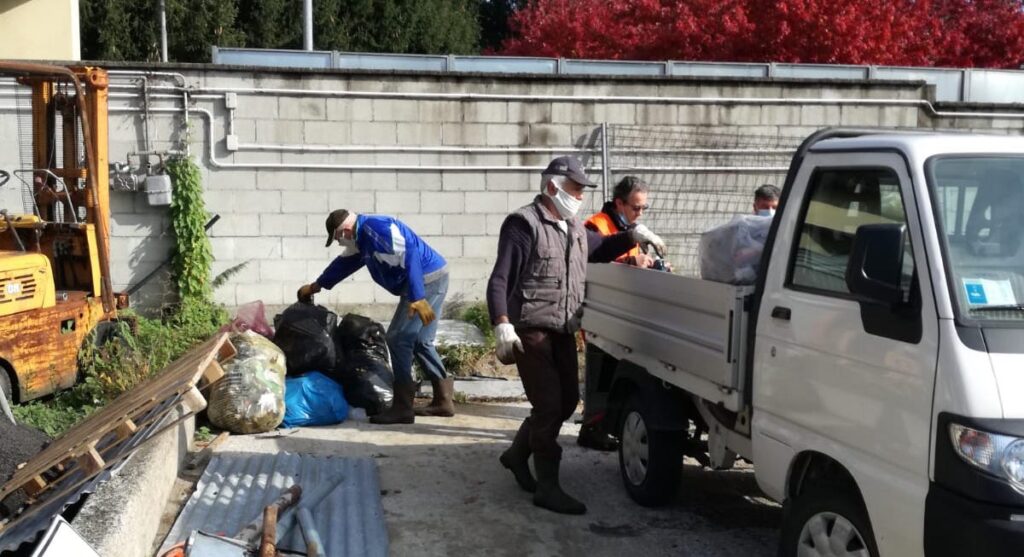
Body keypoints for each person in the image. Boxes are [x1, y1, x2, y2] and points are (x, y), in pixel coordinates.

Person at [487, 156, 665, 515]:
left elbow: (600, 249)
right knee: (550, 404)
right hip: (530, 329)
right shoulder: (524, 225)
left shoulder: (574, 227)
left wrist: (633, 235)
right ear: (553, 187)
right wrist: (501, 321)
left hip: (564, 327)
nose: (580, 196)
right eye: (575, 189)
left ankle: (517, 454)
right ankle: (547, 487)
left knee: (568, 401)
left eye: (583, 190)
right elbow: (500, 278)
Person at [297, 209, 453, 425]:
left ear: (345, 231)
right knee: (421, 341)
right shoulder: (360, 238)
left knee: (398, 339)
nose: (340, 243)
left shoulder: (377, 229)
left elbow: (411, 252)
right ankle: (444, 401)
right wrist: (317, 286)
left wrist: (417, 296)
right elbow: (344, 264)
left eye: (338, 239)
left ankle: (402, 407)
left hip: (425, 281)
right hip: (427, 279)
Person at [584, 176, 655, 268]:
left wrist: (651, 264)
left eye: (644, 207)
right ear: (619, 203)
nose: (640, 213)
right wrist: (632, 262)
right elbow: (593, 265)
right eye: (636, 208)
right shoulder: (595, 225)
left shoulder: (632, 228)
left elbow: (635, 261)